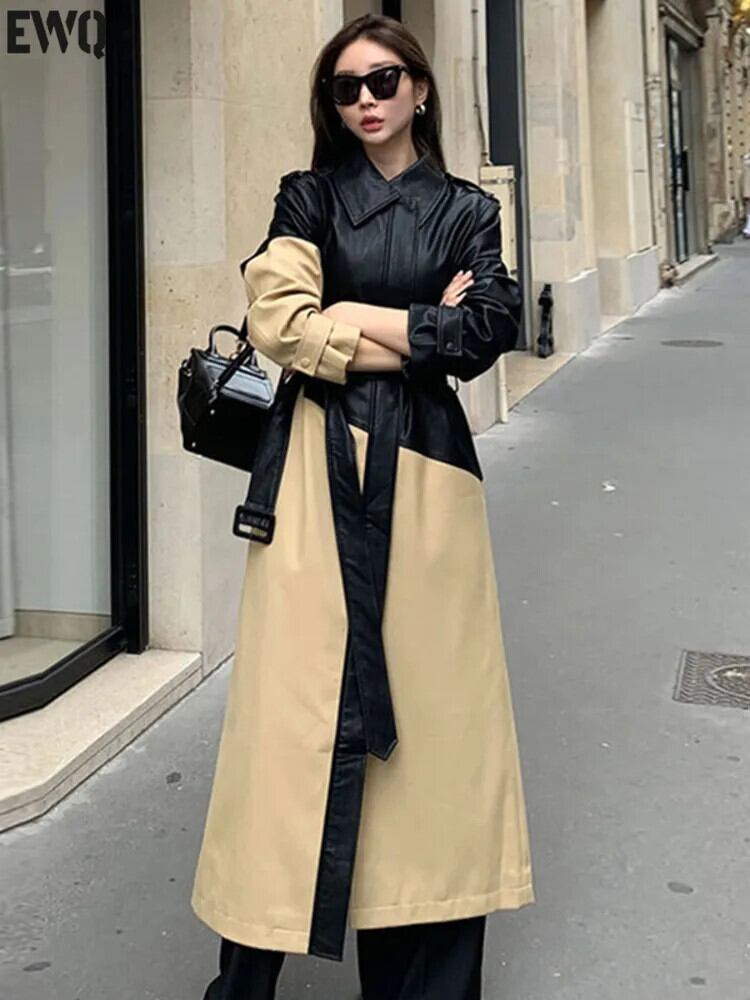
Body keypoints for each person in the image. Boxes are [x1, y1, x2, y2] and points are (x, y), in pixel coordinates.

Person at [190, 13, 534, 999]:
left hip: (428, 484)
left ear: (420, 88)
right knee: (290, 720)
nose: (367, 100)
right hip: (312, 476)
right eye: (346, 87)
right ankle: (247, 971)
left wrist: (349, 315)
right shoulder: (307, 196)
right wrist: (414, 329)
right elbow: (279, 322)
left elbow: (488, 329)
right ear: (331, 106)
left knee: (434, 730)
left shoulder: (467, 209)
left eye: (384, 80)